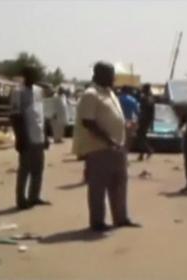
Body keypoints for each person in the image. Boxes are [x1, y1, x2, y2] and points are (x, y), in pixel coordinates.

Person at [75, 61, 139, 232]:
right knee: (98, 186)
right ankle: (97, 222)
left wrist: (125, 125)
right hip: (99, 148)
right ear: (98, 75)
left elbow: (111, 117)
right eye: (110, 74)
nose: (113, 78)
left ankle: (121, 218)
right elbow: (88, 122)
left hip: (117, 147)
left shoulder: (110, 93)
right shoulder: (91, 94)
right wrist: (108, 139)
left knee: (119, 183)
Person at [10, 67, 51, 210]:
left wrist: (45, 135)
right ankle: (21, 199)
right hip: (26, 136)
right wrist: (20, 137)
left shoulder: (39, 91)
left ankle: (34, 197)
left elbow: (41, 114)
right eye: (33, 74)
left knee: (38, 170)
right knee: (24, 170)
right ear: (26, 75)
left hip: (38, 135)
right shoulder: (18, 92)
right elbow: (15, 116)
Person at [136, 83, 155, 161]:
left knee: (141, 137)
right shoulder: (150, 98)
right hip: (146, 120)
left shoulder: (145, 98)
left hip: (144, 120)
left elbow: (144, 110)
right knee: (142, 137)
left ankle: (147, 151)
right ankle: (143, 153)